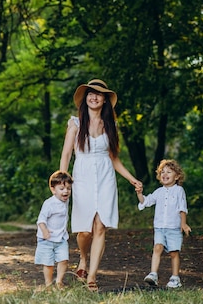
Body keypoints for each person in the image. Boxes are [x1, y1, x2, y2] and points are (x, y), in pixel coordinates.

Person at [60, 79, 143, 292]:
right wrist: (63, 178)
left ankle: (92, 277)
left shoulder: (111, 126)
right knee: (84, 230)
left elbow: (113, 158)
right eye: (90, 93)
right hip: (82, 176)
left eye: (99, 94)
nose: (94, 97)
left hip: (106, 177)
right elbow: (67, 154)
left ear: (105, 99)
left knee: (100, 225)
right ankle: (84, 259)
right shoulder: (75, 124)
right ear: (85, 98)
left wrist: (131, 178)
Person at [136, 159, 191, 289]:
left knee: (174, 253)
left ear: (177, 176)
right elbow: (146, 201)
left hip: (174, 228)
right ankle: (153, 274)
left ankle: (175, 278)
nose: (165, 174)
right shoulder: (158, 192)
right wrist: (139, 193)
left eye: (169, 172)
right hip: (160, 228)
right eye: (162, 172)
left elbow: (182, 208)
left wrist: (183, 224)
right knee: (157, 248)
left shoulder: (179, 191)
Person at [35, 170, 73, 289]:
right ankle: (48, 283)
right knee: (48, 263)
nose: (66, 191)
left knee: (64, 259)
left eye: (68, 188)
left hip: (61, 238)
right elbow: (41, 220)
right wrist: (45, 231)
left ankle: (59, 281)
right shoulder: (49, 204)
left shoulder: (65, 200)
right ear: (53, 190)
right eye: (61, 189)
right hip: (47, 239)